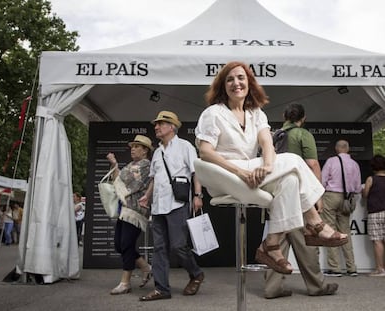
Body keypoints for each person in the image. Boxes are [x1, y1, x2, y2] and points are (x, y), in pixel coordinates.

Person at [194, 61, 348, 275]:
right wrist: (242, 172)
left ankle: (271, 244)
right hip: (226, 176)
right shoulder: (213, 113)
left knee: (290, 181)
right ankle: (314, 222)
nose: (236, 83)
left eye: (240, 78)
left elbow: (267, 143)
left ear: (249, 83)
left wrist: (266, 167)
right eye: (229, 79)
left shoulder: (256, 113)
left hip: (253, 174)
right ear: (223, 86)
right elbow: (205, 152)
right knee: (294, 159)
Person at [264, 103, 338, 298]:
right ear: (303, 118)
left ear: (284, 116)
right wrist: (317, 195)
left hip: (276, 191)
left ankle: (272, 288)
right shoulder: (303, 135)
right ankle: (317, 286)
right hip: (298, 194)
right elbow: (312, 164)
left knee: (277, 242)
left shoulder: (274, 136)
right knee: (306, 242)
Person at [139, 111, 204, 301]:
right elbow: (154, 179)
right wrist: (147, 196)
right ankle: (161, 289)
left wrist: (198, 195)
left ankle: (196, 273)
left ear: (172, 127)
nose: (156, 127)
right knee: (159, 248)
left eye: (160, 124)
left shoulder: (185, 146)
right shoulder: (157, 152)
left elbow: (196, 172)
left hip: (177, 204)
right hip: (158, 206)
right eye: (156, 124)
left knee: (178, 246)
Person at [106, 135, 154, 295]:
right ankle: (145, 267)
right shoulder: (130, 165)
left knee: (126, 244)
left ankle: (125, 282)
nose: (132, 149)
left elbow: (124, 182)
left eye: (137, 146)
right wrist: (114, 165)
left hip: (135, 211)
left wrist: (116, 168)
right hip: (124, 211)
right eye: (132, 146)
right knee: (119, 245)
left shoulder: (146, 165)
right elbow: (117, 180)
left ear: (145, 150)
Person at [321, 140, 362, 277]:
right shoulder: (355, 165)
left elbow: (322, 181)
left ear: (336, 148)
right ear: (348, 149)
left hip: (331, 197)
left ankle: (335, 268)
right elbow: (357, 188)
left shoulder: (331, 161)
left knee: (330, 231)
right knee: (346, 232)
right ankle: (351, 268)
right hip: (347, 199)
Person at [362, 155, 385, 277]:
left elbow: (365, 194)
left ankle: (380, 269)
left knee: (377, 241)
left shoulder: (371, 179)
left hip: (375, 212)